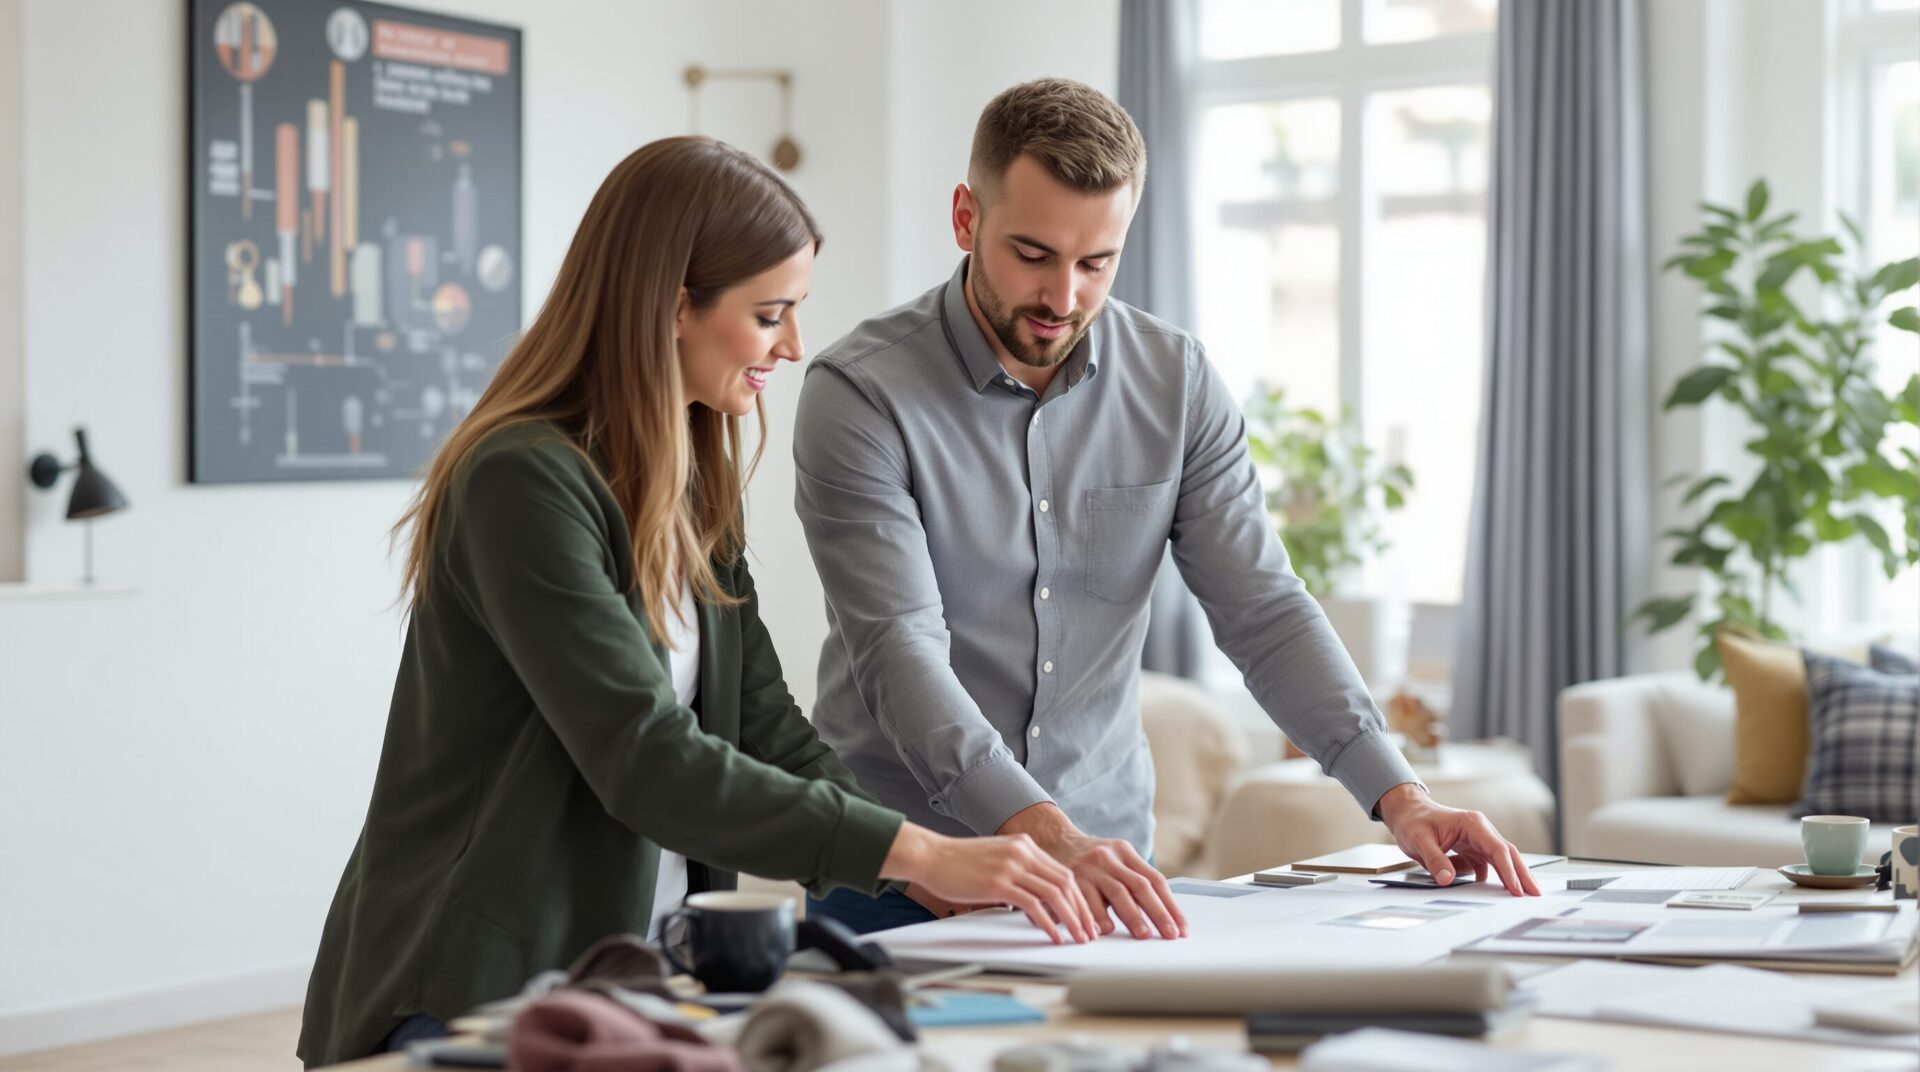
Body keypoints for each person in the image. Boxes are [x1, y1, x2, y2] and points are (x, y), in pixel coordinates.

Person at [296, 136, 1094, 1069]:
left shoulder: (686, 483)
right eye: (770, 315)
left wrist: (917, 880)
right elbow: (644, 758)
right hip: (466, 991)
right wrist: (917, 852)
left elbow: (762, 724)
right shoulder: (521, 481)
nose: (793, 347)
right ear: (675, 306)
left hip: (629, 988)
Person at [794, 80, 1540, 938]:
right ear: (966, 218)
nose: (1063, 297)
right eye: (1031, 254)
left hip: (1103, 869)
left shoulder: (1175, 383)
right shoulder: (861, 395)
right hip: (897, 871)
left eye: (1095, 263)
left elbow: (1262, 608)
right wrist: (1046, 836)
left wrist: (1400, 797)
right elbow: (899, 652)